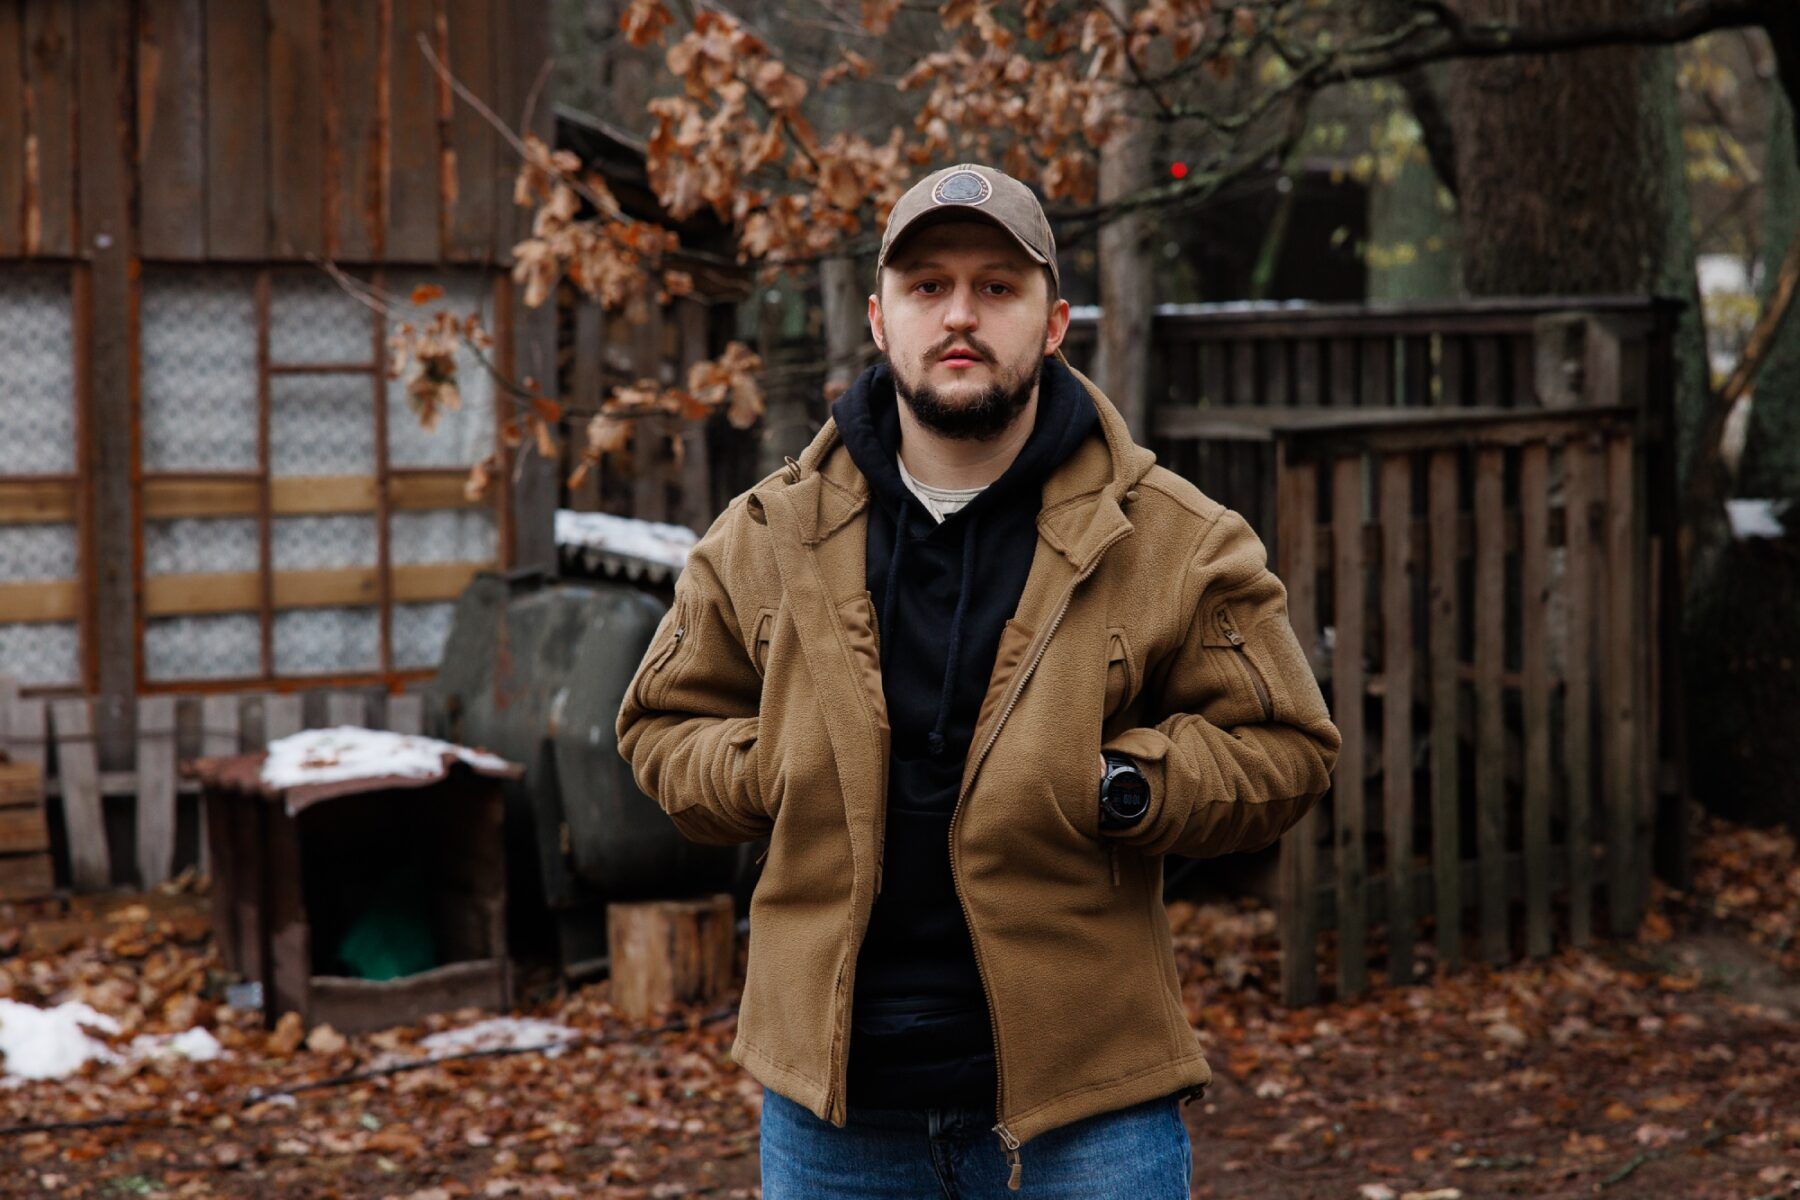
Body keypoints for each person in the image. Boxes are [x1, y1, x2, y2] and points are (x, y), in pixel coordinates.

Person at [616, 162, 1341, 1198]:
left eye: (998, 287)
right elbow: (659, 724)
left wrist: (1121, 787)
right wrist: (769, 768)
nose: (960, 314)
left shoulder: (1172, 537)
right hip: (835, 1120)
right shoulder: (765, 536)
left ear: (1055, 324)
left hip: (1088, 1107)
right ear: (880, 320)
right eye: (929, 287)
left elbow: (1288, 746)